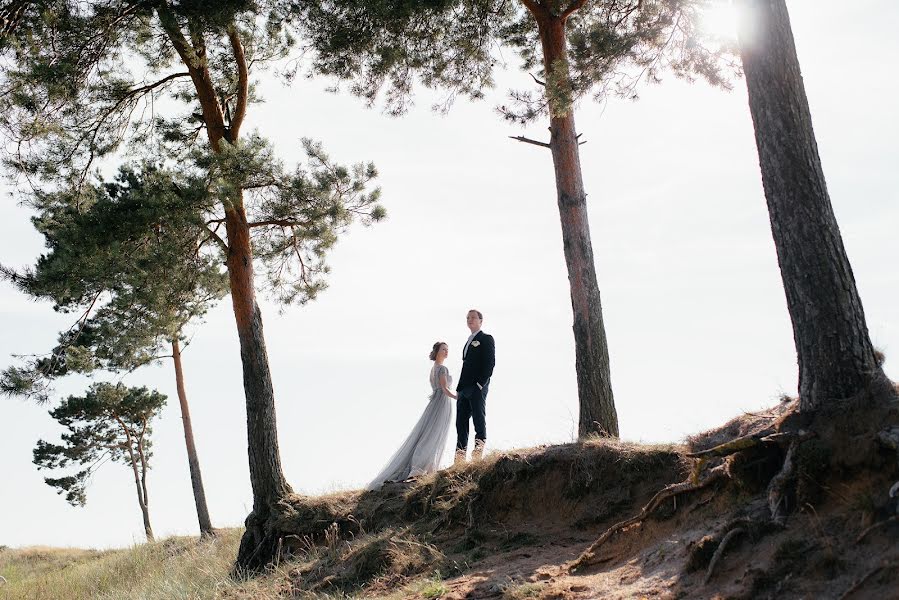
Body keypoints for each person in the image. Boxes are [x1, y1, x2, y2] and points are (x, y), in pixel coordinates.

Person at [367, 342, 456, 490]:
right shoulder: (442, 369)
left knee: (428, 433)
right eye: (443, 349)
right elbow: (445, 389)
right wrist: (458, 397)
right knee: (433, 434)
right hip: (441, 403)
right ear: (437, 352)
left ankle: (425, 467)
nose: (446, 352)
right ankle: (420, 467)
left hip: (434, 403)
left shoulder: (433, 369)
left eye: (447, 350)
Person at [455, 309, 495, 464]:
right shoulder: (468, 341)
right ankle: (459, 459)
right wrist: (459, 389)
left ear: (480, 320)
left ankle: (477, 454)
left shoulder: (486, 338)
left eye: (472, 317)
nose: (469, 320)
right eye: (467, 318)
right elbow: (465, 367)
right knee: (460, 423)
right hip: (463, 389)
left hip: (477, 387)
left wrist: (480, 384)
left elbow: (490, 363)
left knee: (479, 419)